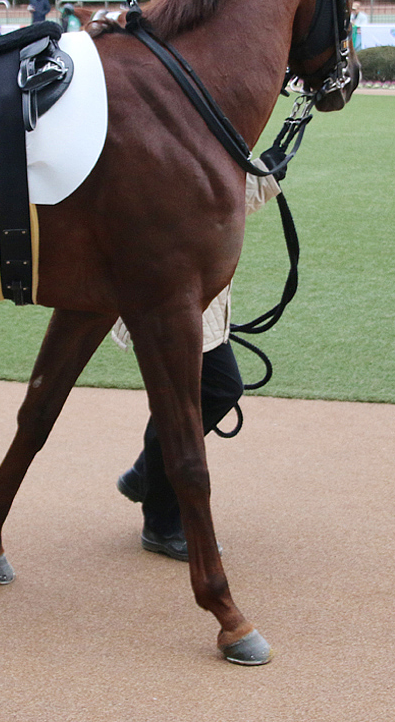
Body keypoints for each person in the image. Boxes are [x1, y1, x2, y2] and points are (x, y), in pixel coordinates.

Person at [115, 171, 282, 561]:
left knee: (204, 392)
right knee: (205, 394)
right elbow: (201, 209)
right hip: (169, 295)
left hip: (190, 295)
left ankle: (145, 477)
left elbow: (218, 205)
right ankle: (160, 522)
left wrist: (266, 178)